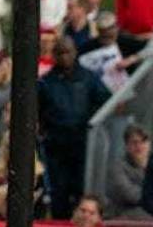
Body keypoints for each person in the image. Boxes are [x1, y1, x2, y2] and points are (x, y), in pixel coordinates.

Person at [38, 37, 112, 219]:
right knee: (58, 192)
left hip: (83, 144)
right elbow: (37, 110)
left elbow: (106, 101)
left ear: (75, 52)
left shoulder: (88, 77)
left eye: (67, 52)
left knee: (81, 190)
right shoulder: (46, 81)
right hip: (56, 146)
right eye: (60, 53)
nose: (64, 56)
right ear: (54, 55)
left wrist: (91, 120)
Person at [105, 124, 153, 219]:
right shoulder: (117, 168)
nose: (139, 146)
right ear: (127, 146)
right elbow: (130, 195)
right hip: (124, 217)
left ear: (149, 144)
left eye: (143, 141)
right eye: (134, 142)